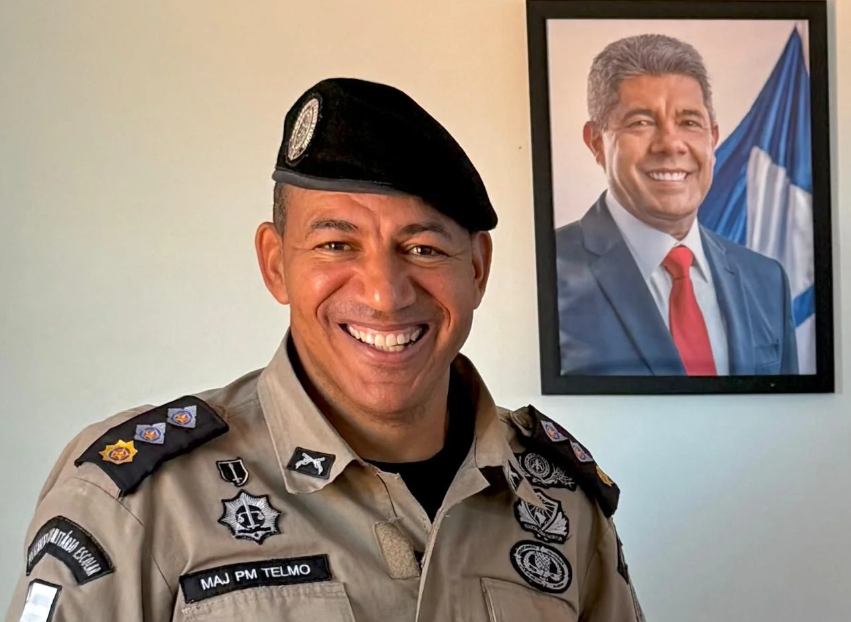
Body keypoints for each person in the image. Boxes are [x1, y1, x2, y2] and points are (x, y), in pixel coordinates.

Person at [6, 77, 644, 622]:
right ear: (275, 263)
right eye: (337, 245)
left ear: (476, 269)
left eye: (423, 248)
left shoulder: (560, 502)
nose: (385, 295)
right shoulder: (139, 500)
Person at [555, 34, 799, 377]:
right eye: (641, 122)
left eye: (689, 122)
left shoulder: (767, 280)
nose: (671, 144)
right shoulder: (544, 274)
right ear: (596, 142)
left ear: (712, 139)